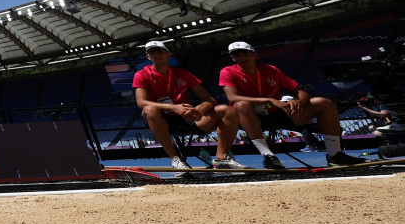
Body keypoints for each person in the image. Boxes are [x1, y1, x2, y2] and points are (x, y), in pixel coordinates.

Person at [219, 41, 362, 168]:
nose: (242, 58)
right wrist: (270, 100)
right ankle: (269, 156)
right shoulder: (228, 71)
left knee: (324, 103)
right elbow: (232, 97)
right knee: (241, 105)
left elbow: (301, 91)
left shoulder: (271, 70)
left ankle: (335, 155)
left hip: (277, 113)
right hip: (249, 117)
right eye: (237, 55)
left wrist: (297, 101)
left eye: (246, 54)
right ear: (233, 58)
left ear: (255, 55)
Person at [133, 40, 245, 176]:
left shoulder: (183, 74)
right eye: (152, 52)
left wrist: (200, 109)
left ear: (168, 54)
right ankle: (176, 160)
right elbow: (141, 102)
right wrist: (173, 107)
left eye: (160, 51)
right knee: (149, 109)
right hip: (161, 120)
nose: (157, 54)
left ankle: (222, 159)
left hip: (187, 117)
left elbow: (209, 100)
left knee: (228, 110)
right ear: (148, 57)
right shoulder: (142, 75)